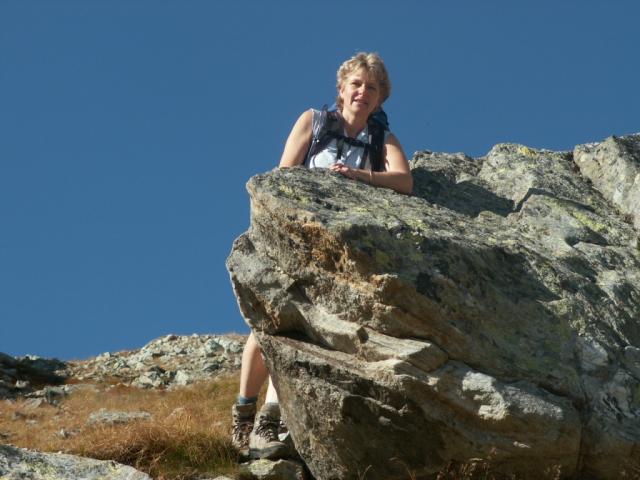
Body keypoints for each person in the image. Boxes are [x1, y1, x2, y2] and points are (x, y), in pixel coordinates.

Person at [231, 52, 413, 460]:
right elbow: (281, 176)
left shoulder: (383, 140)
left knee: (303, 333)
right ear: (342, 89)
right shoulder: (313, 121)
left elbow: (404, 181)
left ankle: (269, 422)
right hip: (292, 240)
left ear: (380, 98)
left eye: (372, 88)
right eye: (357, 84)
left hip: (337, 255)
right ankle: (243, 416)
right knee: (267, 325)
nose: (363, 92)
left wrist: (359, 175)